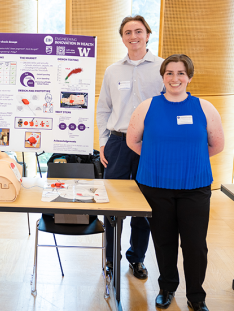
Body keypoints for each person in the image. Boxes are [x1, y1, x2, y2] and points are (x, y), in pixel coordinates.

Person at [127, 54, 223, 311]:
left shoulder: (205, 107)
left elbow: (216, 145)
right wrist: (158, 160)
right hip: (156, 186)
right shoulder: (148, 106)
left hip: (195, 187)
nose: (175, 78)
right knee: (164, 241)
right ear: (163, 76)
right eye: (169, 72)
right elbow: (132, 141)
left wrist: (187, 161)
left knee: (195, 245)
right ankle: (167, 287)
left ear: (189, 77)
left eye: (181, 73)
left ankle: (196, 296)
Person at [96, 15, 164, 279]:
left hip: (151, 145)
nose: (133, 36)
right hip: (118, 142)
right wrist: (103, 142)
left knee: (143, 206)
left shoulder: (163, 67)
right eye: (127, 32)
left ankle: (137, 259)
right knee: (112, 204)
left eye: (138, 31)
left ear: (148, 34)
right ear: (122, 37)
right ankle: (111, 258)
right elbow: (104, 110)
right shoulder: (113, 70)